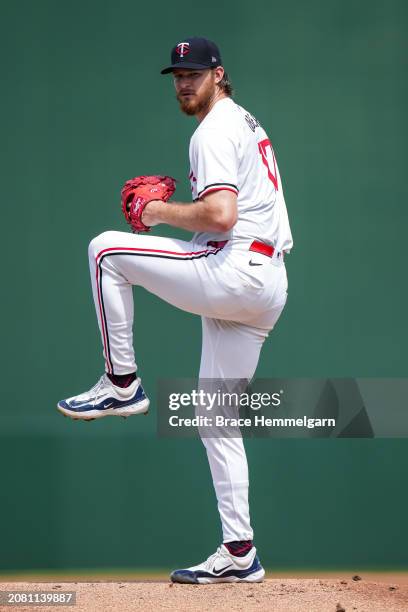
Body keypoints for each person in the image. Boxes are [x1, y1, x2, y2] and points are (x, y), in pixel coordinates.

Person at [58, 36, 293, 584]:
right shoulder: (244, 121)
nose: (184, 82)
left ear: (219, 73)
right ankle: (240, 553)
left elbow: (219, 215)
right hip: (266, 283)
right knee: (215, 419)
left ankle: (121, 383)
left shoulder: (212, 129)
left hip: (234, 271)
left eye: (194, 72)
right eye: (177, 75)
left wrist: (156, 210)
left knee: (105, 249)